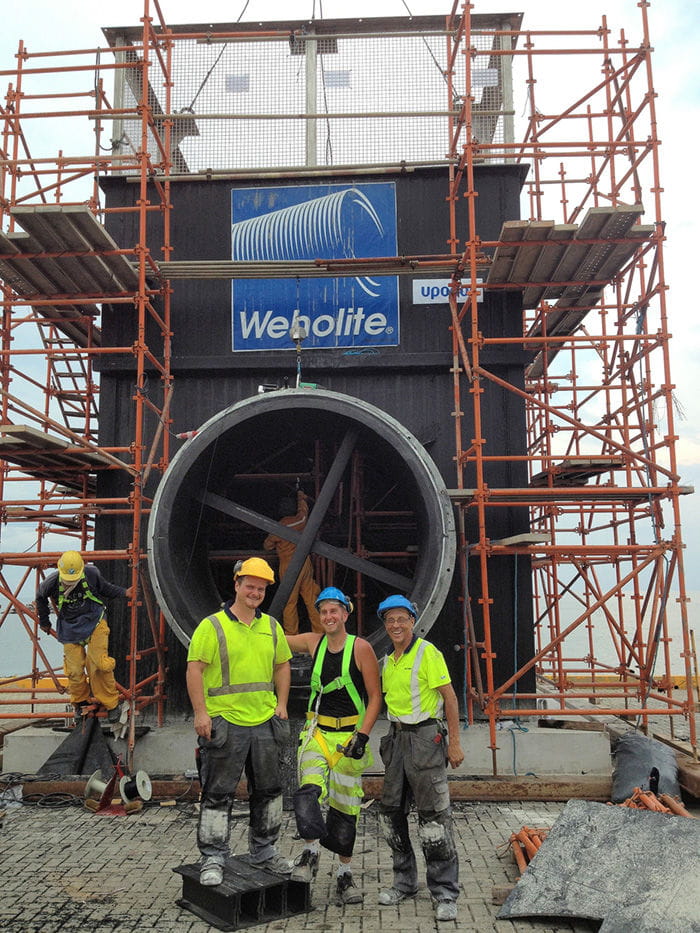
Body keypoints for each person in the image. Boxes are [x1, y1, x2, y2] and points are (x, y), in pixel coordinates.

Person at [186, 556, 293, 887]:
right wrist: (201, 712)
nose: (255, 593)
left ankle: (264, 851)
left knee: (269, 791)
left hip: (264, 721)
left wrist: (282, 704)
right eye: (250, 586)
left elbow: (282, 666)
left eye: (261, 589)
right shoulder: (212, 626)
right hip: (226, 722)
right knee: (218, 793)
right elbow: (194, 669)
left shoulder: (271, 627)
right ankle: (213, 857)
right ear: (236, 584)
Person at [286, 586, 381, 906]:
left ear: (345, 614)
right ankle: (309, 854)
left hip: (347, 739)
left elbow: (375, 697)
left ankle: (344, 874)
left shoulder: (361, 648)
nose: (328, 616)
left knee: (345, 807)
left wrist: (362, 736)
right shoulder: (313, 643)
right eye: (323, 611)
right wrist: (246, 613)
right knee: (308, 792)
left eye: (334, 611)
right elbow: (276, 638)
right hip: (316, 733)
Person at [375, 594, 464, 923]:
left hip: (426, 739)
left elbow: (450, 698)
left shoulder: (428, 653)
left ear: (413, 621)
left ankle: (445, 892)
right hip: (396, 740)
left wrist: (455, 744)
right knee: (391, 815)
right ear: (385, 625)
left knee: (433, 818)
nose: (396, 625)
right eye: (390, 620)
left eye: (402, 619)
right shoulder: (388, 659)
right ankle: (404, 883)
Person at [35, 550, 132, 725]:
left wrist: (124, 592)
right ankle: (81, 704)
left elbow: (105, 588)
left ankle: (111, 704)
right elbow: (40, 598)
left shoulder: (91, 574)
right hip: (70, 627)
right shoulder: (51, 582)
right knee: (74, 670)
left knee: (99, 664)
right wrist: (44, 621)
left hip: (95, 622)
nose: (70, 582)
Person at [263, 488, 323, 635]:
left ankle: (292, 635)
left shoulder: (278, 527)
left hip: (288, 567)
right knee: (311, 598)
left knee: (289, 602)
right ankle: (320, 633)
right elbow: (304, 513)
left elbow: (267, 545)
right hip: (305, 563)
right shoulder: (300, 520)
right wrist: (301, 499)